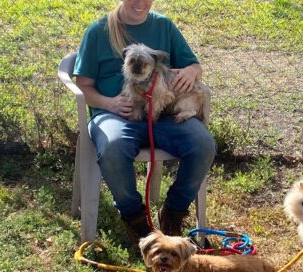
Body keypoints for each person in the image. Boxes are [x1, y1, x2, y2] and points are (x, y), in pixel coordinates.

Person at [73, 0, 216, 244]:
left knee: (203, 145)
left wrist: (193, 70)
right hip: (115, 114)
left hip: (164, 112)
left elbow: (193, 64)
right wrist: (109, 103)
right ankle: (135, 218)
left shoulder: (163, 26)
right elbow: (82, 85)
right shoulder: (98, 31)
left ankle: (172, 212)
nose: (140, 3)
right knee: (113, 147)